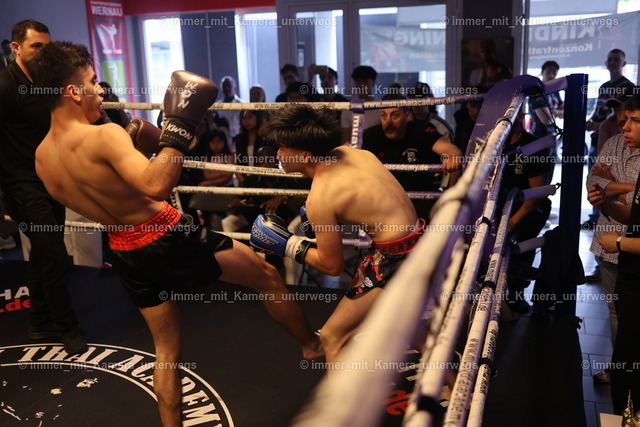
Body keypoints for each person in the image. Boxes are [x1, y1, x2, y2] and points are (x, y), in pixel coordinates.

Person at [28, 41, 322, 426]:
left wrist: (144, 145)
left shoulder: (42, 158)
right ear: (72, 91)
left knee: (166, 352)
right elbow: (156, 185)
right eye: (92, 81)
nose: (100, 90)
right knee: (267, 276)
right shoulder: (104, 136)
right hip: (167, 235)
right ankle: (312, 346)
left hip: (123, 249)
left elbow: (111, 189)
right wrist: (179, 126)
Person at [250, 104, 426, 365]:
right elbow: (365, 202)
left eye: (284, 148)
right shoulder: (355, 153)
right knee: (410, 324)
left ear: (306, 156)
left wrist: (288, 244)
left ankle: (342, 397)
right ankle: (454, 381)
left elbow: (332, 266)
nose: (278, 154)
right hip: (421, 241)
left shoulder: (321, 197)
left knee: (332, 337)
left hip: (395, 258)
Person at [0, 20, 86, 354]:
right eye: (36, 46)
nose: (43, 52)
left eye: (47, 47)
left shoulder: (48, 82)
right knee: (55, 254)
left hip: (51, 180)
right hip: (21, 187)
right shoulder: (5, 84)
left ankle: (38, 320)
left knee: (42, 253)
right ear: (16, 48)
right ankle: (67, 326)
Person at [587, 94, 640, 416]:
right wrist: (623, 189)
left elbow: (633, 206)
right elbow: (595, 183)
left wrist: (614, 185)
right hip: (608, 242)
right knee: (617, 312)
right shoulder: (613, 143)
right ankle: (620, 368)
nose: (624, 123)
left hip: (625, 244)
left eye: (634, 119)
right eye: (623, 116)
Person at [362, 94, 463, 220]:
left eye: (395, 115)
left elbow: (452, 150)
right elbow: (348, 150)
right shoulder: (371, 135)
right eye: (384, 115)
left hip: (421, 198)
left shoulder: (421, 131)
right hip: (386, 199)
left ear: (408, 116)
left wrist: (452, 158)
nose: (388, 122)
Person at [501, 109, 553, 314]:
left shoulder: (533, 146)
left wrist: (512, 222)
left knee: (520, 242)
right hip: (498, 204)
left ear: (520, 116)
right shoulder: (491, 144)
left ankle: (516, 292)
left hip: (528, 205)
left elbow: (536, 194)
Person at [583, 49, 635, 229]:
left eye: (616, 60)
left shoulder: (629, 86)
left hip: (626, 224)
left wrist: (615, 187)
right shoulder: (604, 87)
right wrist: (593, 123)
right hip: (598, 137)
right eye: (610, 59)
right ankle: (597, 214)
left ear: (623, 64)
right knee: (599, 174)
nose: (623, 119)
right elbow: (595, 180)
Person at [341, 65, 381, 143]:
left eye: (365, 81)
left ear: (373, 82)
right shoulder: (348, 108)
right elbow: (345, 141)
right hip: (355, 149)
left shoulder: (381, 106)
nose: (361, 85)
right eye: (358, 81)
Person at [528, 61, 563, 139]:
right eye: (548, 72)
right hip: (537, 137)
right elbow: (547, 120)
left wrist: (554, 112)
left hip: (553, 135)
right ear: (542, 72)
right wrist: (558, 113)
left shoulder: (555, 92)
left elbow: (566, 113)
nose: (551, 75)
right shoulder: (536, 92)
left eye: (554, 73)